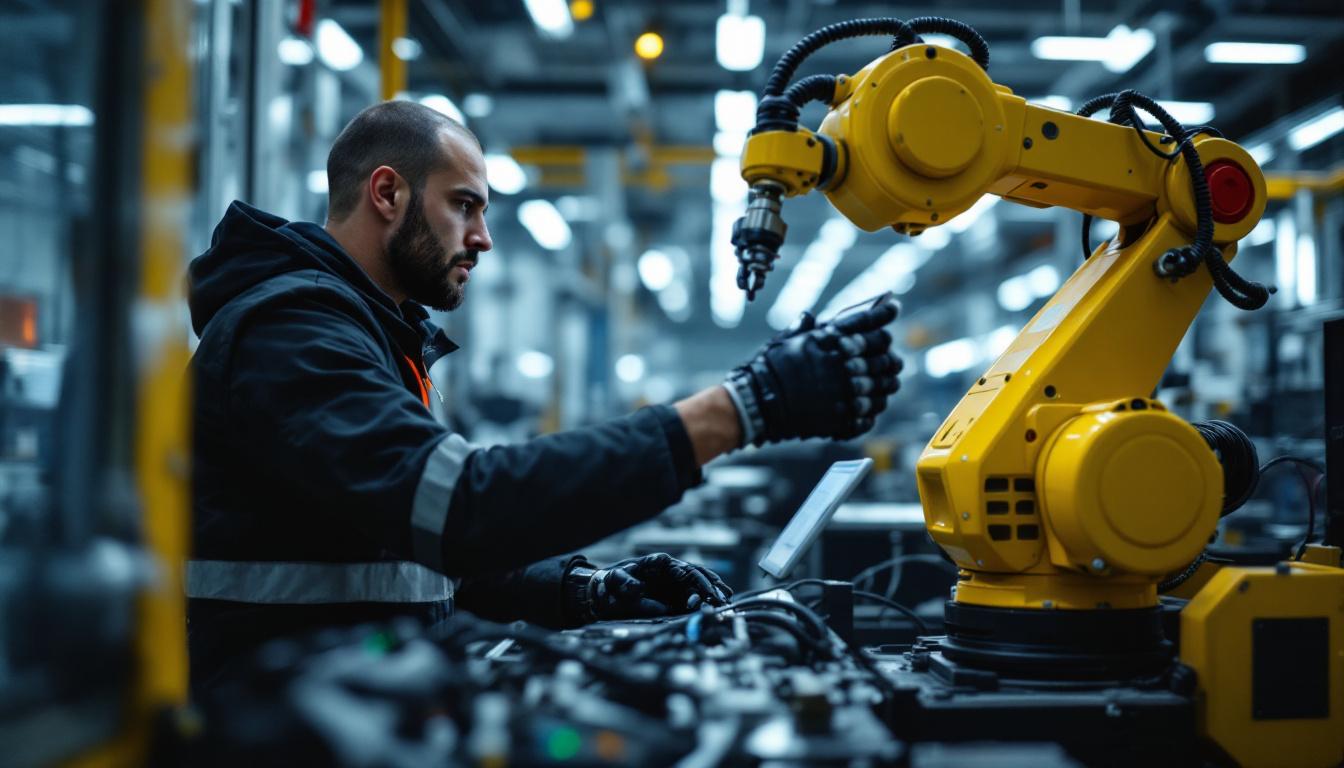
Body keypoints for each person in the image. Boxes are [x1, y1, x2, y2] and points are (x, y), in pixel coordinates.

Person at [185, 100, 902, 691]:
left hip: (352, 705)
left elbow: (412, 554)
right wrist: (740, 407)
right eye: (464, 206)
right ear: (387, 193)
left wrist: (585, 589)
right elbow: (463, 509)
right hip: (272, 723)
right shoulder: (292, 332)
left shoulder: (374, 333)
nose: (483, 238)